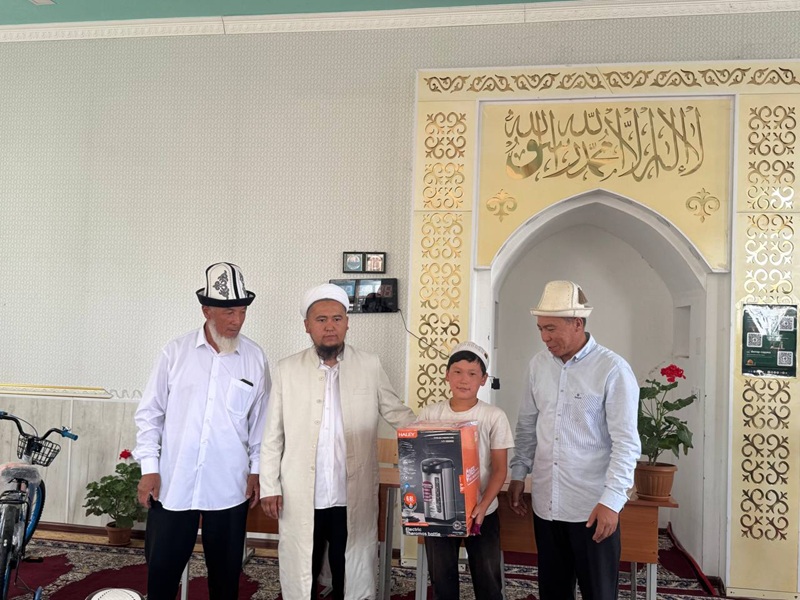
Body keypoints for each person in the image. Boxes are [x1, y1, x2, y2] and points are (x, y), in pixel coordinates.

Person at [259, 283, 416, 600]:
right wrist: (269, 486)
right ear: (307, 326)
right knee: (305, 567)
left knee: (350, 569)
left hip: (351, 493)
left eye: (337, 318)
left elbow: (396, 413)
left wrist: (440, 430)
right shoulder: (287, 370)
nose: (329, 326)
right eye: (321, 320)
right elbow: (272, 434)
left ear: (347, 323)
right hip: (303, 493)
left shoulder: (369, 364)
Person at [133, 262, 270, 600]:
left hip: (229, 485)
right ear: (206, 310)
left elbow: (261, 422)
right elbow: (150, 414)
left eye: (242, 311)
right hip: (174, 483)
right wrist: (149, 468)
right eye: (228, 312)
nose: (237, 320)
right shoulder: (175, 353)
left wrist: (257, 470)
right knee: (162, 572)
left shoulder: (254, 358)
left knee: (225, 577)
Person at [507, 280, 640, 600]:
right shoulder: (538, 365)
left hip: (592, 508)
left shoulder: (613, 369)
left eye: (551, 328)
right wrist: (518, 472)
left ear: (577, 323)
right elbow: (527, 424)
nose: (544, 337)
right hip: (546, 505)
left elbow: (626, 443)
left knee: (599, 593)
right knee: (553, 592)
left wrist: (612, 502)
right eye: (540, 329)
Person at [417, 341, 514, 600]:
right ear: (447, 375)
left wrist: (483, 505)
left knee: (488, 579)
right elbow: (418, 459)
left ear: (483, 379)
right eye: (457, 372)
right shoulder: (430, 414)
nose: (464, 379)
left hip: (482, 512)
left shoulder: (493, 416)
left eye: (472, 374)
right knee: (442, 580)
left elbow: (500, 470)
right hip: (439, 513)